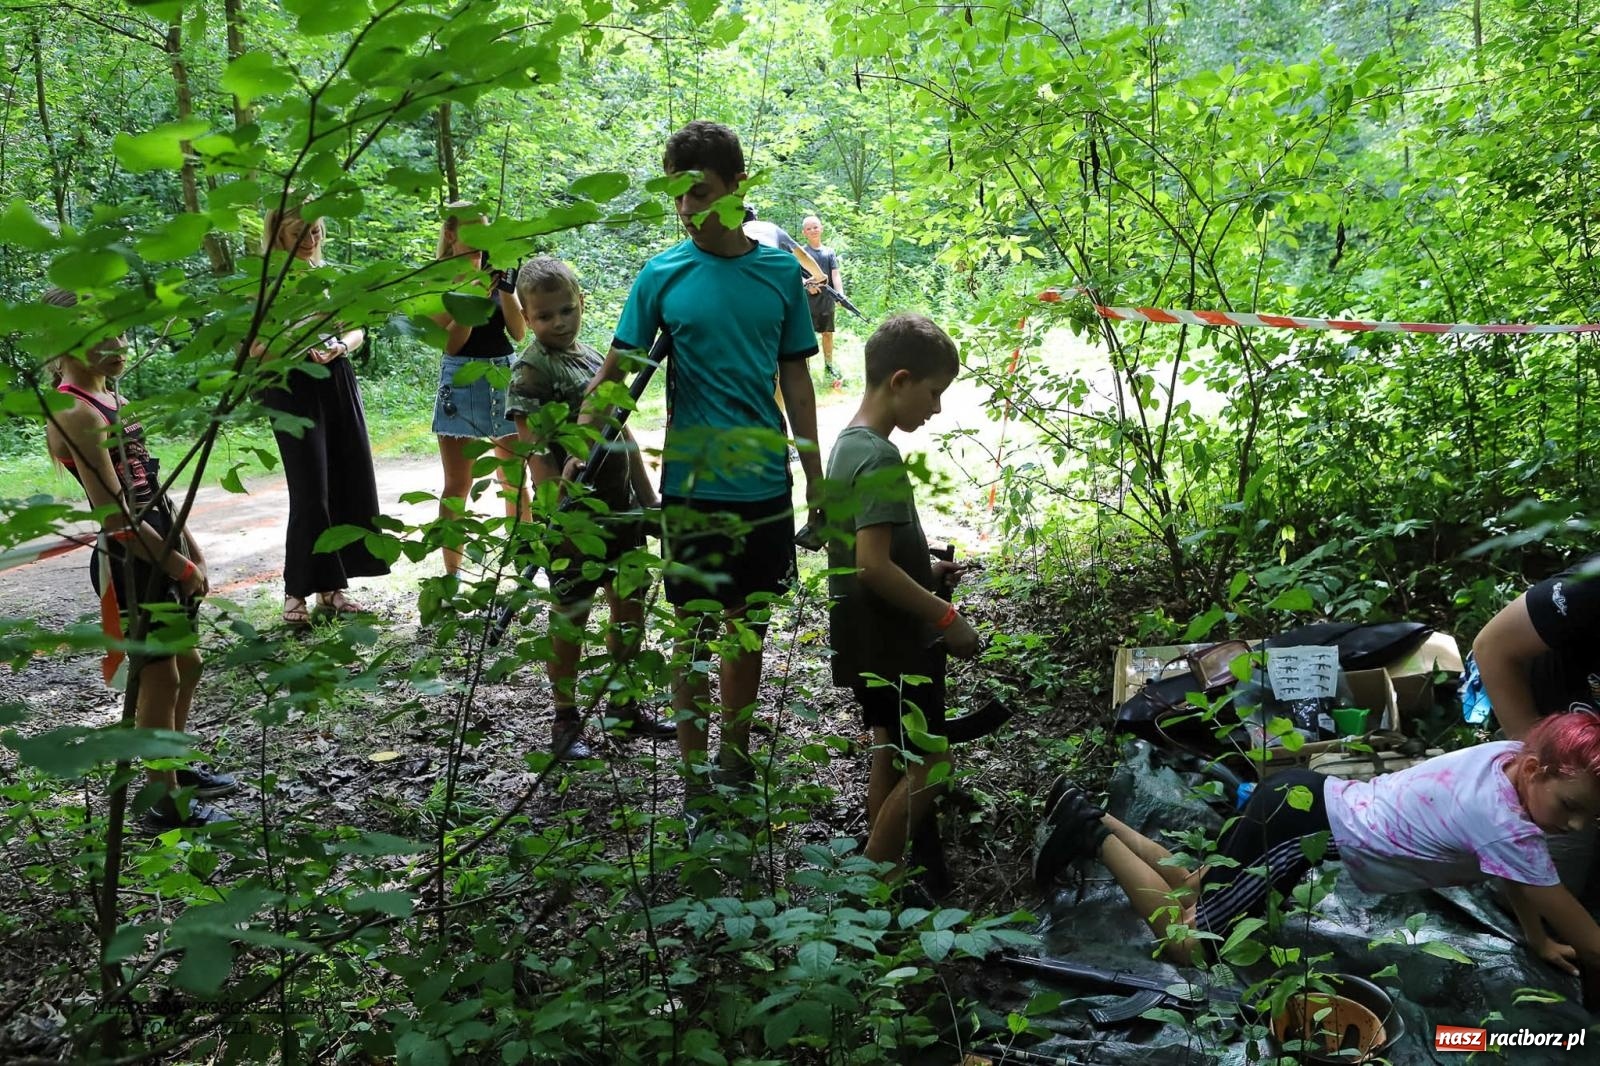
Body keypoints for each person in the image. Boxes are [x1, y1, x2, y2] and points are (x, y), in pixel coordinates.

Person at [573, 121, 823, 823]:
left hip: (764, 486)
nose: (686, 208)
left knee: (750, 631)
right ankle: (692, 778)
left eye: (701, 191)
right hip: (690, 486)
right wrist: (573, 447)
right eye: (678, 194)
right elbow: (616, 375)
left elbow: (797, 386)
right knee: (694, 633)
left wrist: (817, 481)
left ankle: (735, 762)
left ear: (738, 186)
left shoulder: (779, 272)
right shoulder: (661, 274)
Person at [1034, 713, 1600, 972]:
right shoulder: (1505, 826)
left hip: (1300, 796)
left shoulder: (1502, 759)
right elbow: (1588, 935)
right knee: (1195, 945)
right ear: (1535, 768)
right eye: (1570, 808)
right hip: (1296, 827)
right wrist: (1556, 938)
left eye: (1590, 818)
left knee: (1192, 887)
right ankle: (1087, 834)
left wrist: (1537, 940)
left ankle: (1095, 817)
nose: (1574, 827)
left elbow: (1514, 873)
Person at [41, 289, 237, 831]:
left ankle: (170, 765)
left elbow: (153, 490)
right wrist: (176, 565)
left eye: (123, 331)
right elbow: (116, 517)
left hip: (160, 544)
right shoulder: (73, 411)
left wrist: (187, 545)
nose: (119, 343)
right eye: (102, 333)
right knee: (159, 678)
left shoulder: (113, 398)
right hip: (131, 561)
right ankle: (161, 800)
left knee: (188, 666)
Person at [824, 313, 979, 877]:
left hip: (864, 631)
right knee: (933, 761)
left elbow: (870, 553)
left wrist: (925, 569)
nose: (935, 409)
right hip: (890, 639)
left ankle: (884, 876)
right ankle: (872, 887)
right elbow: (871, 567)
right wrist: (946, 616)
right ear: (900, 380)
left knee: (891, 745)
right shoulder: (880, 456)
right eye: (933, 393)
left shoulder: (848, 444)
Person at [509, 256, 675, 758]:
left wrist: (648, 500)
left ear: (581, 301)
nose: (558, 322)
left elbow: (620, 429)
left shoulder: (589, 359)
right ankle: (565, 721)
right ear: (526, 316)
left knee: (628, 607)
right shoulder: (531, 369)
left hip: (619, 509)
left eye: (566, 310)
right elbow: (532, 443)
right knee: (572, 616)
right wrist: (552, 496)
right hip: (574, 517)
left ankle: (624, 705)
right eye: (544, 316)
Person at [257, 204, 391, 626]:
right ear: (279, 234)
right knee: (310, 485)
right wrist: (294, 349)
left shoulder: (328, 274)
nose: (311, 241)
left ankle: (334, 589)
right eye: (302, 234)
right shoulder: (262, 282)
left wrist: (340, 347)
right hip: (289, 385)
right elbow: (254, 348)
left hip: (334, 376)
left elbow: (357, 328)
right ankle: (296, 591)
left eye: (316, 231)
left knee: (347, 477)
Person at [1467, 555, 1600, 898]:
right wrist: (1533, 750)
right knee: (1548, 893)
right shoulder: (1591, 588)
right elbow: (1492, 647)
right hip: (1561, 752)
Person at [430, 204, 531, 578]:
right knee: (458, 483)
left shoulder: (496, 269)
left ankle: (523, 567)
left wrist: (506, 289)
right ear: (452, 234)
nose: (481, 240)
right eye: (473, 230)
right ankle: (452, 574)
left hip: (503, 377)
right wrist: (473, 291)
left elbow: (519, 333)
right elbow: (452, 344)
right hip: (460, 381)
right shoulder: (438, 278)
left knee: (514, 479)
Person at [800, 215, 845, 387]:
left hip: (827, 299)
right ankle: (806, 371)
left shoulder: (829, 252)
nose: (813, 230)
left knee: (827, 334)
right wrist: (806, 286)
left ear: (821, 228)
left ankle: (829, 366)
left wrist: (840, 295)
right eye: (809, 228)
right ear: (804, 232)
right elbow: (796, 275)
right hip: (807, 302)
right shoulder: (801, 253)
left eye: (815, 227)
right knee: (807, 336)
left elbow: (835, 274)